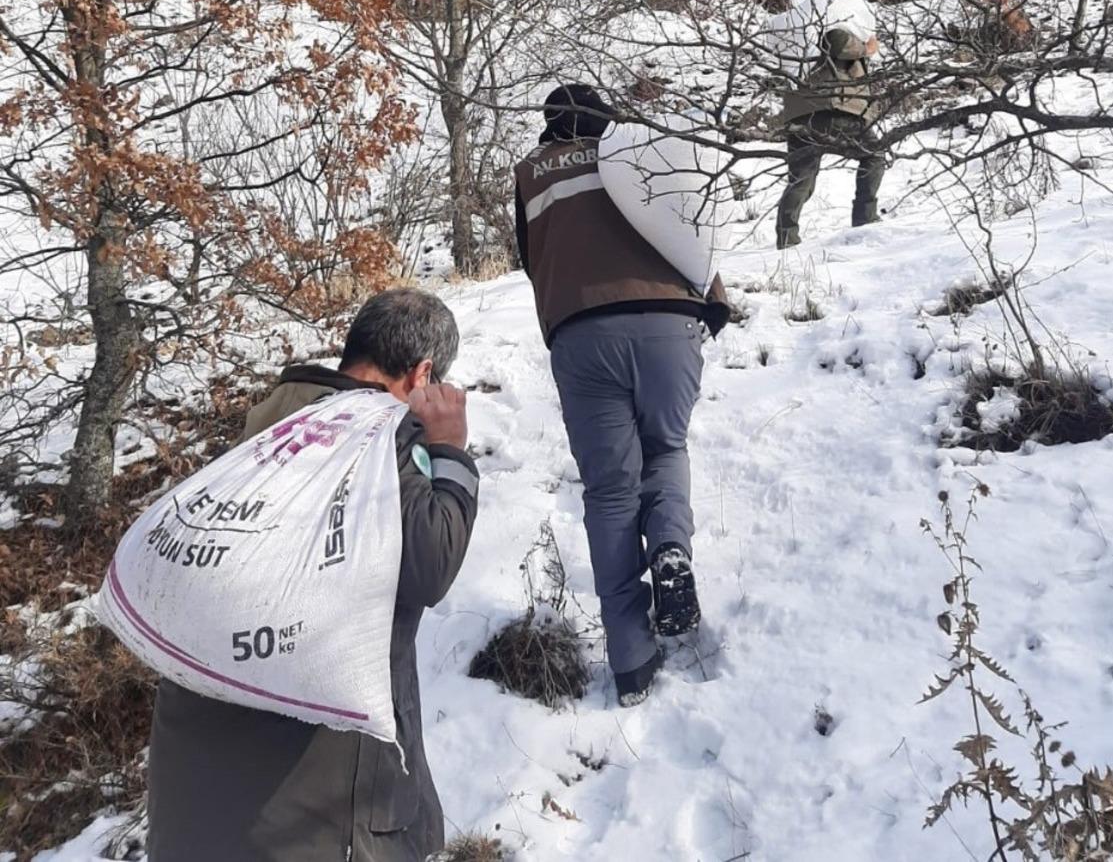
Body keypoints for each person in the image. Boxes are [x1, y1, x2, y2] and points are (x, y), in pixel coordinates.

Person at [147, 288, 478, 862]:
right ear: (423, 373)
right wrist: (449, 451)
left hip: (191, 801)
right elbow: (430, 566)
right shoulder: (374, 438)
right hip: (313, 820)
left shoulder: (264, 429)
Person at [514, 83, 731, 707]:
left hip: (582, 335)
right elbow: (691, 225)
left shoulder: (532, 174)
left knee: (610, 491)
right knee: (665, 450)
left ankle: (631, 662)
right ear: (607, 118)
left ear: (549, 125)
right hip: (669, 323)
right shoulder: (641, 151)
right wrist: (714, 299)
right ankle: (669, 547)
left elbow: (533, 260)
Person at [776, 21, 885, 246]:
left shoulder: (798, 37)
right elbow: (836, 40)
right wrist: (868, 48)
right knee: (874, 154)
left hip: (800, 115)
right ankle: (865, 218)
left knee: (801, 179)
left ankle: (786, 237)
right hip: (834, 109)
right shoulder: (837, 27)